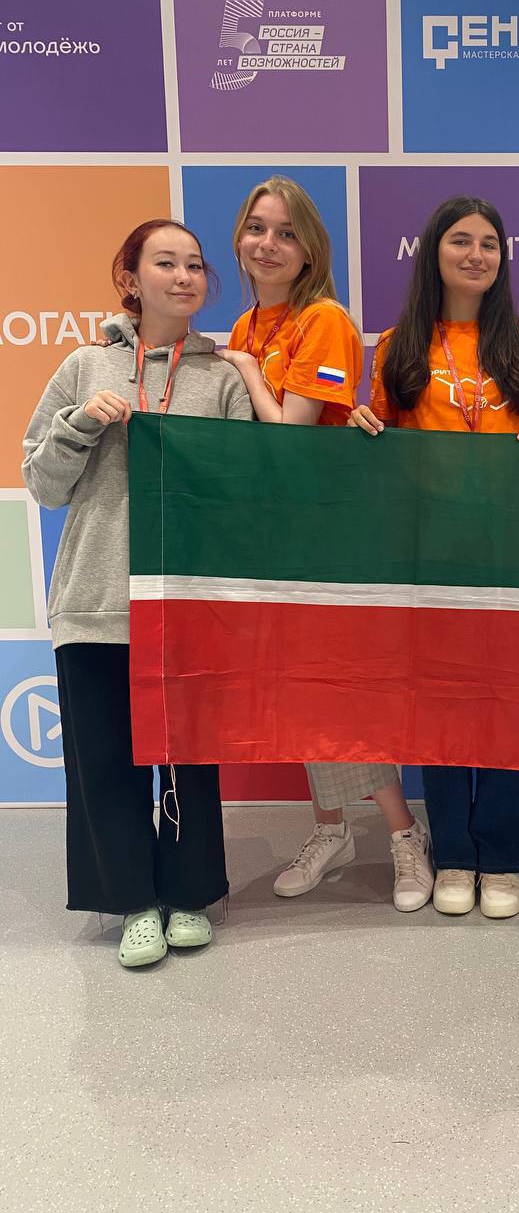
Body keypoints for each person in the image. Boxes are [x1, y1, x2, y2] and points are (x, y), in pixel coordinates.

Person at [22, 219, 253, 968]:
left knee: (188, 761)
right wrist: (79, 425)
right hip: (96, 601)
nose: (184, 276)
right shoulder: (84, 365)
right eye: (166, 262)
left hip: (186, 604)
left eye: (195, 265)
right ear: (131, 277)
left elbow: (243, 495)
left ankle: (188, 894)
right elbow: (43, 484)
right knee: (106, 764)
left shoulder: (221, 379)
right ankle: (131, 903)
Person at [218, 175, 434, 913]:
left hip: (331, 535)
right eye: (257, 228)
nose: (268, 244)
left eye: (287, 232)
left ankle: (403, 834)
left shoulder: (325, 320)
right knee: (298, 689)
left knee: (341, 687)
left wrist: (247, 371)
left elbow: (290, 437)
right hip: (270, 538)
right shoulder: (245, 325)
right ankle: (332, 828)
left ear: (311, 249)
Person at [349, 196, 519, 919]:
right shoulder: (398, 344)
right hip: (431, 555)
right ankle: (455, 852)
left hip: (511, 554)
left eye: (489, 243)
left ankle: (501, 856)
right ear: (433, 253)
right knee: (439, 704)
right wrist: (363, 423)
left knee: (507, 704)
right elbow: (383, 449)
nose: (476, 254)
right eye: (460, 241)